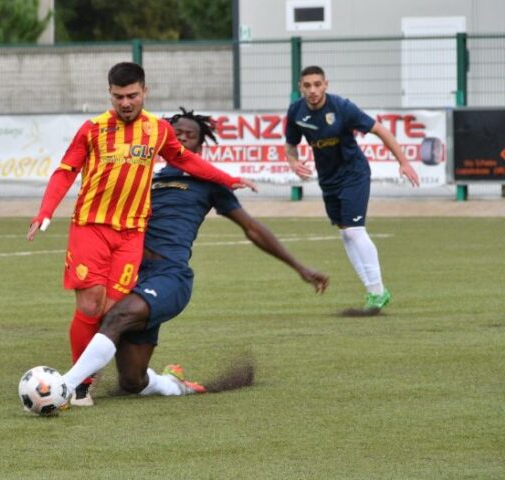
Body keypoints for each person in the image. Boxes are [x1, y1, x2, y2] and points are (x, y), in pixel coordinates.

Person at [26, 63, 257, 405]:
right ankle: (80, 386)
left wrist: (225, 178)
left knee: (110, 309)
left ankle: (105, 379)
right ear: (110, 95)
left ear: (144, 92)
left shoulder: (158, 130)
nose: (126, 103)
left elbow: (186, 160)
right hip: (92, 225)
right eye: (119, 96)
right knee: (90, 303)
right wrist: (46, 211)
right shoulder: (92, 130)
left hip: (132, 233)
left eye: (132, 95)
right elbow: (65, 171)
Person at [60, 108, 329, 402]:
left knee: (117, 315)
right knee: (132, 381)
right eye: (177, 134)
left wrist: (299, 267)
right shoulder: (143, 175)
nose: (183, 139)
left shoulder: (208, 182)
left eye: (191, 135)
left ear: (201, 145)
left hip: (169, 277)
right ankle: (173, 384)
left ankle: (67, 386)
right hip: (131, 274)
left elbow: (251, 228)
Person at [284, 66, 419, 312]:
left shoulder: (342, 108)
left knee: (355, 231)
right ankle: (372, 291)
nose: (313, 90)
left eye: (317, 84)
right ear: (300, 87)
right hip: (328, 179)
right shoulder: (296, 111)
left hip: (354, 174)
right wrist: (293, 162)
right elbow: (290, 145)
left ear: (326, 84)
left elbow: (380, 130)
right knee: (346, 233)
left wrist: (404, 162)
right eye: (307, 85)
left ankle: (378, 291)